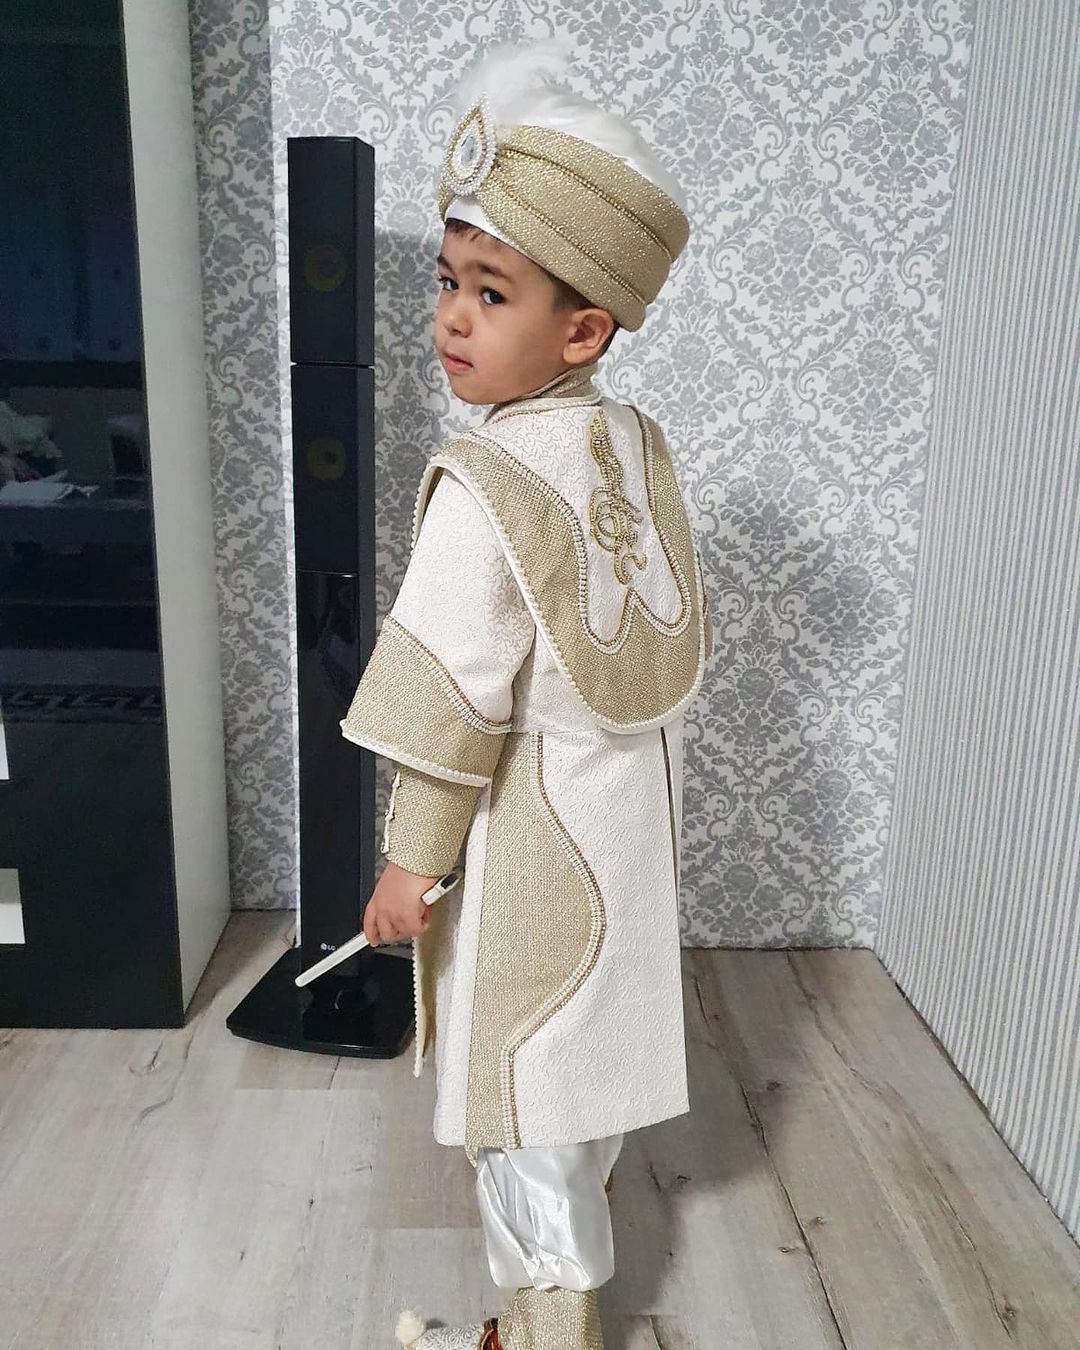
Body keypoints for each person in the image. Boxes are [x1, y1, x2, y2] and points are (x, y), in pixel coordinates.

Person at [337, 38, 713, 1350]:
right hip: (628, 831)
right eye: (447, 281)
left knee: (516, 1086)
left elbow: (450, 701)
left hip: (534, 840)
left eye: (490, 293)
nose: (451, 317)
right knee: (582, 1073)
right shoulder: (634, 446)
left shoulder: (487, 483)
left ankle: (549, 1333)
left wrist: (411, 862)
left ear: (583, 328)